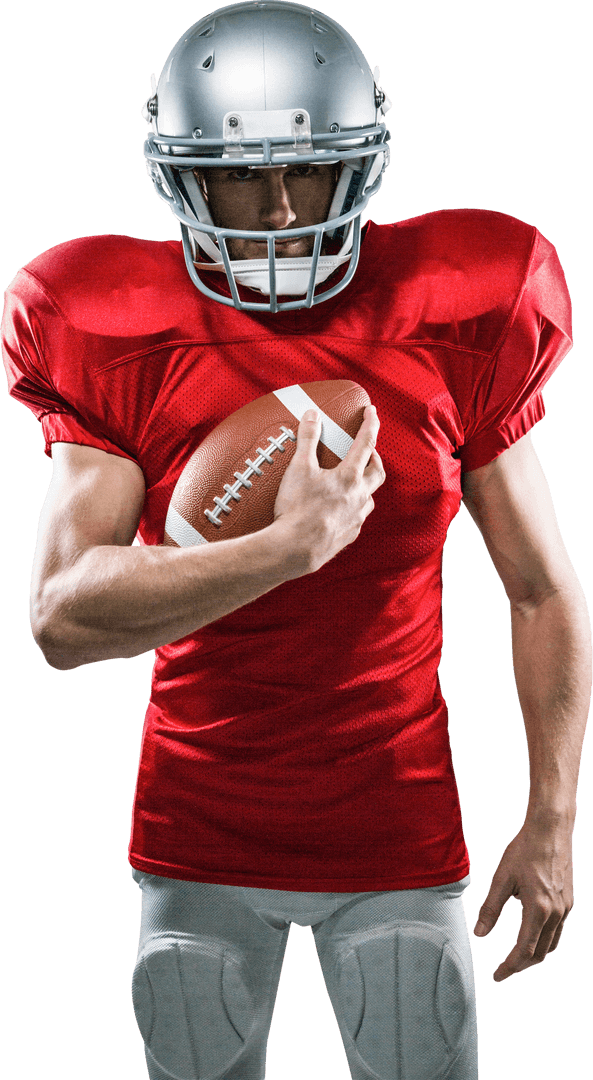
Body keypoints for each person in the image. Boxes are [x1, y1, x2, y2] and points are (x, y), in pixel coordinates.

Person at [1, 3, 590, 1080]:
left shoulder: (457, 311)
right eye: (237, 177)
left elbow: (543, 592)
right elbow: (59, 616)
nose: (276, 211)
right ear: (180, 177)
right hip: (198, 833)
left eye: (307, 173)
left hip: (399, 834)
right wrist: (283, 549)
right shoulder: (113, 326)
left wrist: (550, 819)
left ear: (360, 165)